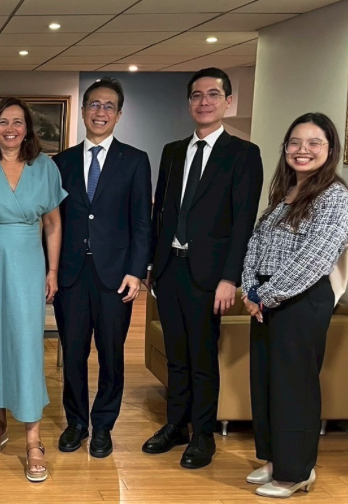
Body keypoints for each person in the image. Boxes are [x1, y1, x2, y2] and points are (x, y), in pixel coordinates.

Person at [143, 67, 263, 469]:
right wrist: (153, 264)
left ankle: (203, 435)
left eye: (213, 94)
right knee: (176, 355)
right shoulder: (173, 151)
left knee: (202, 357)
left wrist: (231, 277)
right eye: (197, 95)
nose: (204, 102)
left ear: (228, 101)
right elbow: (161, 212)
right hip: (169, 269)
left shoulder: (243, 154)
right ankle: (175, 425)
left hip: (210, 276)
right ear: (189, 102)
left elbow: (243, 221)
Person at [0, 97, 67, 482]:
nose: (10, 129)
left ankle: (33, 437)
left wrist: (53, 270)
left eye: (18, 122)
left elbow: (53, 224)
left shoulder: (45, 167)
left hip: (27, 264)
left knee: (25, 343)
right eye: (3, 122)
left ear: (27, 129)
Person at [241, 113, 348, 498]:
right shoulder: (286, 192)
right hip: (266, 299)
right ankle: (275, 460)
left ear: (330, 150)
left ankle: (296, 472)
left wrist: (265, 296)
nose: (303, 150)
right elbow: (256, 243)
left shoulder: (335, 196)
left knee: (294, 389)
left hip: (301, 300)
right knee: (267, 384)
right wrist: (249, 289)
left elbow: (315, 258)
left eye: (314, 142)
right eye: (295, 142)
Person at [52, 78, 152, 458]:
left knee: (111, 355)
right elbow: (53, 222)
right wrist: (51, 270)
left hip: (116, 277)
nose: (100, 112)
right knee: (73, 354)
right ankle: (76, 423)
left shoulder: (135, 160)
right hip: (72, 274)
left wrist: (136, 271)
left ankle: (104, 425)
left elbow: (142, 222)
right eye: (94, 104)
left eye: (109, 106)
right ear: (83, 111)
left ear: (119, 114)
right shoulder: (61, 162)